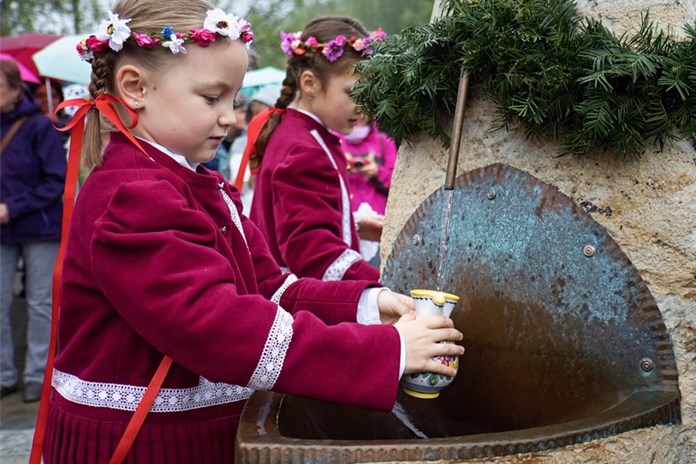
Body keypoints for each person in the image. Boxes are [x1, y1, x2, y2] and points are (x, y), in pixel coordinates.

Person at [39, 1, 464, 462]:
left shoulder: (190, 182)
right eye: (211, 98)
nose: (229, 117)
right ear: (135, 87)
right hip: (144, 442)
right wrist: (388, 350)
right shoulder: (134, 195)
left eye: (234, 100)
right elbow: (218, 327)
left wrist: (366, 303)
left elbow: (270, 287)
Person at [248, 17, 388, 281]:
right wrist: (383, 289)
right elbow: (313, 253)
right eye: (352, 93)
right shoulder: (304, 150)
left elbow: (293, 222)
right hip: (305, 307)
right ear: (310, 83)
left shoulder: (296, 133)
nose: (363, 105)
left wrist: (352, 224)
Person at [0, 58, 67, 403]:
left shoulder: (40, 126)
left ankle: (37, 375)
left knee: (40, 302)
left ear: (15, 89)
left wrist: (13, 207)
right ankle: (4, 374)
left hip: (39, 226)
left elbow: (56, 179)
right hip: (2, 233)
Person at [337, 114, 398, 266]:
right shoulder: (333, 141)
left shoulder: (384, 143)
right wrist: (340, 167)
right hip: (343, 225)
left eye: (362, 109)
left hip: (376, 226)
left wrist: (377, 171)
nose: (357, 114)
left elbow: (398, 184)